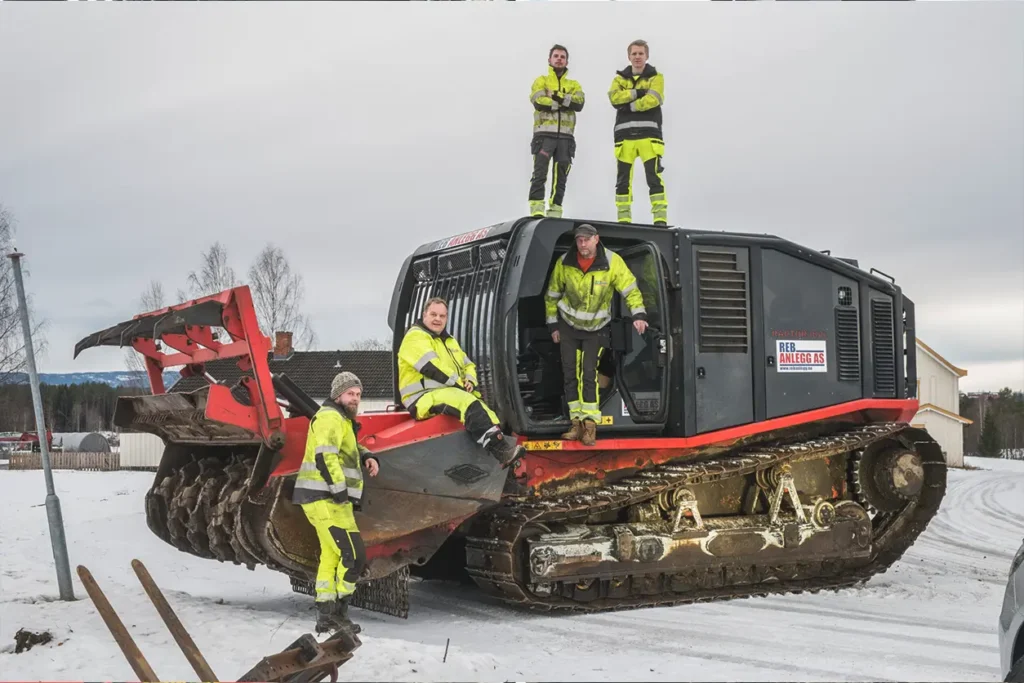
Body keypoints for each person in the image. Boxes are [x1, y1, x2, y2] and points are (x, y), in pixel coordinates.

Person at [291, 371, 379, 636]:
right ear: (337, 394)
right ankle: (337, 615)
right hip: (324, 498)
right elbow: (325, 456)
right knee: (353, 557)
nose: (355, 399)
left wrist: (367, 455)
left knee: (332, 556)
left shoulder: (341, 420)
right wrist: (340, 491)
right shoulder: (330, 417)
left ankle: (327, 615)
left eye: (358, 395)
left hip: (333, 501)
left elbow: (346, 448)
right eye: (351, 393)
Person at [544, 223, 648, 445]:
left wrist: (639, 314)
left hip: (595, 328)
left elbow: (630, 289)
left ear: (596, 239)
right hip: (569, 327)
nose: (582, 244)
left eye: (586, 240)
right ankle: (576, 424)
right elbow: (552, 295)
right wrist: (553, 326)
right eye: (579, 240)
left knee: (588, 374)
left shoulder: (612, 262)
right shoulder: (564, 263)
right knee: (570, 374)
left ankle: (590, 426)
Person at [397, 297, 525, 467]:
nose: (438, 319)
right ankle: (502, 451)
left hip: (445, 392)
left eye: (442, 316)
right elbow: (432, 367)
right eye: (433, 314)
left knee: (488, 415)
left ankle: (503, 474)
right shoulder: (415, 336)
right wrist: (459, 383)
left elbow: (468, 364)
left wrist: (470, 380)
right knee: (467, 402)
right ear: (424, 315)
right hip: (421, 397)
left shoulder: (449, 341)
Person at [607, 39, 667, 225]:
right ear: (629, 56)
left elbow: (654, 99)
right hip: (625, 138)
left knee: (654, 177)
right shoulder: (619, 79)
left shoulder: (656, 77)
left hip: (649, 136)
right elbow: (614, 98)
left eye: (641, 53)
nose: (637, 57)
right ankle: (624, 220)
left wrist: (630, 105)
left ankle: (660, 219)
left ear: (647, 56)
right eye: (634, 53)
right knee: (623, 180)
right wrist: (639, 93)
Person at [528, 44, 586, 219]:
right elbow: (538, 101)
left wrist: (555, 96)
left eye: (562, 56)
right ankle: (537, 211)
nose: (559, 59)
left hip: (566, 138)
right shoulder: (541, 81)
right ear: (549, 59)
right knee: (539, 174)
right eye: (556, 56)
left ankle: (555, 212)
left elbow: (579, 104)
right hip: (544, 136)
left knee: (561, 177)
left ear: (567, 61)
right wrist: (563, 102)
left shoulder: (574, 84)